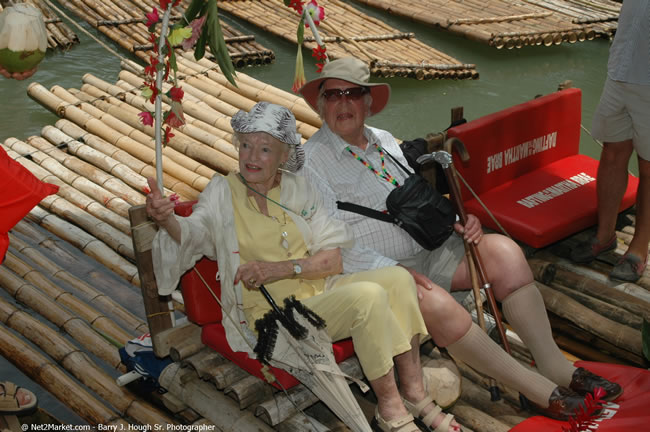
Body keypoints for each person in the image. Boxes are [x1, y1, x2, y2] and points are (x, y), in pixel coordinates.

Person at [298, 57, 623, 421]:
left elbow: (416, 199)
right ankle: (538, 392)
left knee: (505, 253)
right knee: (435, 302)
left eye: (353, 94)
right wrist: (393, 271)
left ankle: (555, 367)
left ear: (368, 102)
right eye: (333, 95)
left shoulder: (384, 140)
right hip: (375, 272)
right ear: (321, 104)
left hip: (430, 249)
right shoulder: (310, 163)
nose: (343, 103)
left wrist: (457, 220)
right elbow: (325, 243)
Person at [146, 102, 461, 432]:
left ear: (284, 156)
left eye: (265, 148)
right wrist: (167, 219)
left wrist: (279, 269)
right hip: (269, 317)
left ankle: (414, 394)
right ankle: (391, 409)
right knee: (367, 297)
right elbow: (192, 234)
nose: (252, 156)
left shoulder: (299, 189)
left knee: (397, 279)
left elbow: (334, 258)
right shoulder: (222, 193)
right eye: (246, 145)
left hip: (317, 293)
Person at [570, 1, 649, 282]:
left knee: (648, 166)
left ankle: (639, 248)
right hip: (619, 69)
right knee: (613, 153)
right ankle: (605, 235)